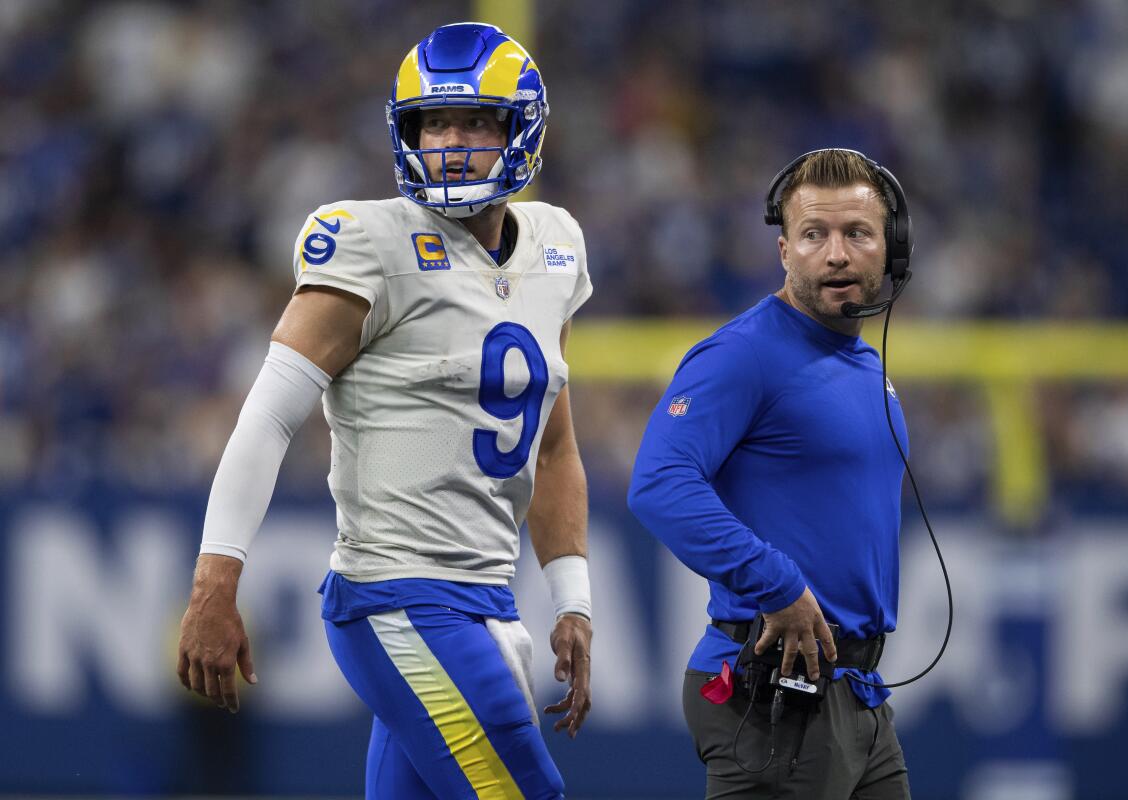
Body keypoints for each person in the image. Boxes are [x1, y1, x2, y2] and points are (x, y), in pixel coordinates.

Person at [176, 23, 593, 800]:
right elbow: (267, 417)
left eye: (477, 121)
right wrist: (213, 584)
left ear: (522, 129)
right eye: (434, 123)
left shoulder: (557, 246)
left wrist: (572, 598)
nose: (453, 143)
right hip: (397, 597)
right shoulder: (367, 241)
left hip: (487, 598)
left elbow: (554, 445)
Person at [627, 148, 913, 799]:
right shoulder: (744, 354)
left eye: (857, 233)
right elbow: (659, 483)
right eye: (815, 234)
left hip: (858, 697)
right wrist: (775, 582)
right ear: (785, 251)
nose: (836, 254)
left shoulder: (866, 366)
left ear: (890, 251)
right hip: (775, 693)